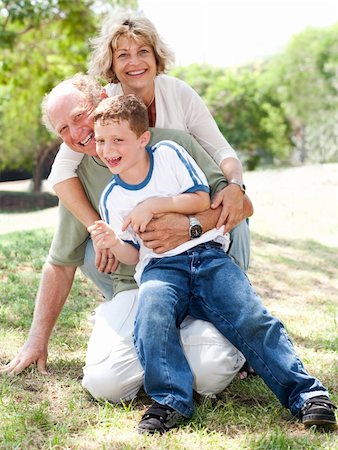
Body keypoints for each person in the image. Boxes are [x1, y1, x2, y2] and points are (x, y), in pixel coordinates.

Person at [89, 94, 337, 434]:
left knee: (251, 317)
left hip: (207, 256)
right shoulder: (112, 197)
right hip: (160, 270)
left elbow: (201, 198)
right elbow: (133, 254)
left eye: (118, 139)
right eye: (101, 140)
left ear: (143, 138)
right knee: (151, 316)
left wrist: (155, 204)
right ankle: (170, 400)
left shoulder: (168, 155)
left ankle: (308, 395)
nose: (107, 148)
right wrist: (113, 243)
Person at [0, 74, 254, 401]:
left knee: (210, 374)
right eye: (63, 129)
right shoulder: (76, 179)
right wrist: (36, 341)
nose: (77, 133)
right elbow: (60, 263)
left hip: (196, 275)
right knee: (106, 386)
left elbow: (239, 207)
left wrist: (189, 224)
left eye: (79, 116)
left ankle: (223, 333)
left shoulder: (173, 144)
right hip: (136, 288)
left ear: (103, 98)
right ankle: (150, 341)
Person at [47, 10, 251, 272]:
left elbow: (221, 150)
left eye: (143, 51)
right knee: (92, 248)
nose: (135, 62)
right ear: (111, 64)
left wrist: (235, 185)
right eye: (123, 55)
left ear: (156, 56)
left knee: (235, 208)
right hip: (138, 224)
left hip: (186, 202)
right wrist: (98, 228)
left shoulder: (179, 94)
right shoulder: (103, 106)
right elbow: (60, 173)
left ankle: (236, 284)